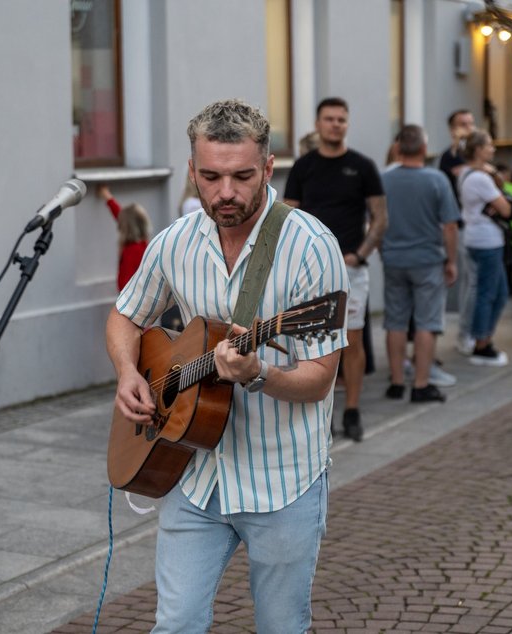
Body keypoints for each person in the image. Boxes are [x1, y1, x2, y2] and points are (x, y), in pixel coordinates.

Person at [105, 99, 348, 632]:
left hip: (282, 479)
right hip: (193, 471)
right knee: (175, 625)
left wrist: (260, 374)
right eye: (210, 177)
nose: (226, 193)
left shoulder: (311, 249)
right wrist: (128, 373)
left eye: (241, 176)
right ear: (192, 171)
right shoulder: (175, 241)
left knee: (282, 627)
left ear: (268, 167)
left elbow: (321, 379)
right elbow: (125, 318)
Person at [283, 97, 387, 442]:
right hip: (309, 272)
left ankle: (352, 410)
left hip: (351, 270)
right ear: (317, 124)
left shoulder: (362, 166)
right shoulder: (303, 167)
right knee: (308, 343)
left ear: (347, 124)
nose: (335, 124)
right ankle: (319, 412)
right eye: (329, 119)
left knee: (351, 342)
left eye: (341, 119)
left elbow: (380, 218)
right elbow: (288, 217)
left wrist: (359, 254)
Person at [379, 124, 459, 402]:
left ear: (398, 148)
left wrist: (382, 250)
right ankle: (422, 384)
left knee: (395, 322)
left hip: (394, 259)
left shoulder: (383, 180)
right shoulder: (437, 180)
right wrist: (452, 260)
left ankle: (397, 382)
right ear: (425, 149)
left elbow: (376, 221)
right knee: (427, 322)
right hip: (427, 260)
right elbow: (450, 226)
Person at [458, 130, 512, 366]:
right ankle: (481, 344)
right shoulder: (480, 178)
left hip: (478, 238)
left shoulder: (466, 174)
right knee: (488, 293)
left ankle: (483, 338)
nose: (493, 149)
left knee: (497, 293)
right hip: (486, 240)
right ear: (479, 150)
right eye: (489, 145)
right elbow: (506, 208)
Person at [439, 110, 480, 356]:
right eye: (462, 124)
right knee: (467, 282)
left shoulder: (477, 155)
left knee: (472, 282)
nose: (467, 127)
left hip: (476, 227)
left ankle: (470, 331)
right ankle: (464, 333)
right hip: (459, 228)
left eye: (470, 122)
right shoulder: (450, 157)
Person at [96, 184, 151, 291]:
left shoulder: (131, 252)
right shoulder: (143, 245)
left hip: (131, 301)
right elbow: (120, 215)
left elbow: (125, 285)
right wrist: (107, 196)